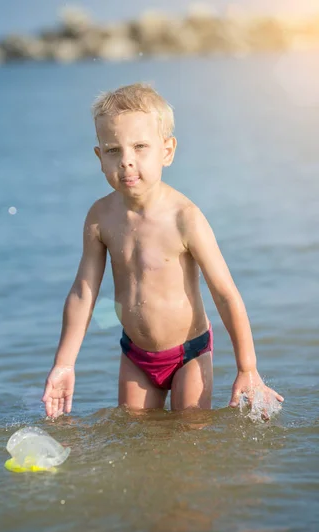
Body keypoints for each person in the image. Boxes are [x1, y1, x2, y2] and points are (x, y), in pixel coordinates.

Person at [42, 83, 284, 419]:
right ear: (99, 158)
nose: (127, 161)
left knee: (190, 440)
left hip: (189, 353)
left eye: (140, 147)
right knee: (137, 438)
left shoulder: (185, 218)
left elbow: (226, 295)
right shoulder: (100, 218)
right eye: (113, 150)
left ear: (167, 151)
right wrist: (64, 365)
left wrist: (248, 368)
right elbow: (84, 294)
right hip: (136, 356)